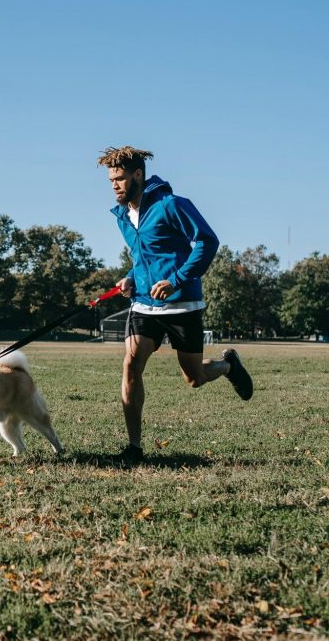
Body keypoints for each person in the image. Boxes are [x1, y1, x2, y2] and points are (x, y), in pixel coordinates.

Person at [100, 146, 253, 464]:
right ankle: (134, 448)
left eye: (120, 179)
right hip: (144, 305)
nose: (114, 185)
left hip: (182, 302)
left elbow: (207, 241)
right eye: (111, 180)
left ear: (138, 175)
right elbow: (143, 257)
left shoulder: (172, 205)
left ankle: (227, 365)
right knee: (131, 364)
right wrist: (130, 278)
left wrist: (177, 279)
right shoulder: (122, 217)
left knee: (194, 377)